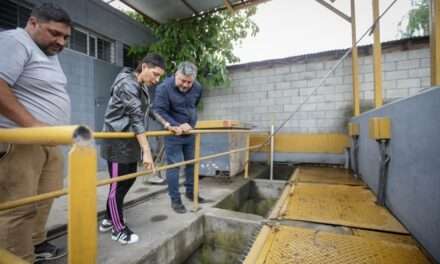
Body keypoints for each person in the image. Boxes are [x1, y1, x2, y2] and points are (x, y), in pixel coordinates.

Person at [0, 3, 72, 262]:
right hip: (21, 141)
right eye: (54, 33)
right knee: (19, 208)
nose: (61, 42)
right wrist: (31, 125)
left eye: (65, 37)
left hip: (48, 141)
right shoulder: (15, 41)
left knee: (46, 197)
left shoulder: (48, 54)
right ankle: (18, 257)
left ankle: (35, 243)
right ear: (32, 23)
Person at [99, 54, 166, 244]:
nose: (157, 79)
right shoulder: (128, 85)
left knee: (128, 181)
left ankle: (108, 218)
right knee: (116, 186)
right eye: (155, 74)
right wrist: (147, 151)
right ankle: (117, 229)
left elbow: (148, 110)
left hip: (129, 143)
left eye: (159, 76)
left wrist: (167, 124)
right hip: (116, 141)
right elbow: (136, 118)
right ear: (144, 67)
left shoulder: (141, 85)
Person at [153, 61, 207, 214]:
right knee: (174, 166)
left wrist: (190, 124)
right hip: (173, 134)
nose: (185, 84)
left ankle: (191, 193)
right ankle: (175, 200)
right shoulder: (163, 88)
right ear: (176, 74)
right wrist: (175, 125)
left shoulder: (197, 87)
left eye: (189, 82)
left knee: (192, 164)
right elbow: (158, 111)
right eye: (182, 80)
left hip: (190, 133)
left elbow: (193, 106)